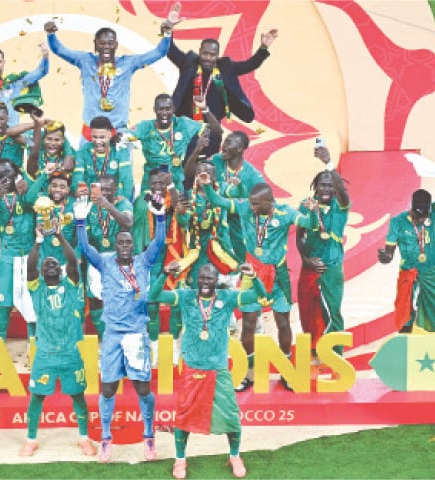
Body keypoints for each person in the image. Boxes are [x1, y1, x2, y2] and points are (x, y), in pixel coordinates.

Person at [150, 263, 266, 479]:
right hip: (193, 367)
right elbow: (154, 295)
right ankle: (180, 459)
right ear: (196, 279)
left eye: (210, 278)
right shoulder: (185, 296)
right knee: (184, 416)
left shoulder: (228, 297)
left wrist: (254, 276)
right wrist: (164, 274)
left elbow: (260, 295)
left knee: (231, 415)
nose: (205, 282)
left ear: (216, 281)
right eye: (202, 278)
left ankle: (234, 456)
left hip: (218, 367)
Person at [201, 179, 318, 391]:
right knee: (248, 325)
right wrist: (207, 185)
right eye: (250, 203)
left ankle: (286, 371)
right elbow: (217, 200)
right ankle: (249, 373)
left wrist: (311, 212)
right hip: (251, 275)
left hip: (277, 276)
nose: (251, 207)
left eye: (256, 204)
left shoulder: (285, 213)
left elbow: (310, 225)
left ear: (268, 202)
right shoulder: (245, 207)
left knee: (283, 323)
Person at [75, 190, 166, 463]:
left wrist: (160, 217)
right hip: (113, 334)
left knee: (143, 389)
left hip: (136, 334)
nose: (125, 246)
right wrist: (80, 222)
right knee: (108, 389)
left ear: (133, 246)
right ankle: (106, 438)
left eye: (128, 242)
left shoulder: (143, 261)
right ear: (115, 246)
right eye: (121, 243)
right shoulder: (105, 263)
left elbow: (159, 243)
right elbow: (86, 249)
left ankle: (149, 436)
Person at [19, 222, 95, 458]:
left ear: (61, 271)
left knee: (78, 396)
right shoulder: (36, 288)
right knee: (37, 396)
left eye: (55, 264)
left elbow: (72, 262)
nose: (51, 265)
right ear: (41, 272)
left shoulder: (71, 285)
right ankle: (31, 440)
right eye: (46, 264)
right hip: (45, 353)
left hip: (70, 353)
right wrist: (38, 241)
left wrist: (61, 237)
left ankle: (84, 438)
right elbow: (30, 267)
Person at [168, 1, 277, 156]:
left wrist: (263, 48)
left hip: (211, 131)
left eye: (212, 55)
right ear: (200, 52)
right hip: (185, 129)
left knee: (207, 167)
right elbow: (170, 50)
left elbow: (249, 65)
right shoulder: (189, 63)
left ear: (217, 56)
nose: (208, 58)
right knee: (180, 166)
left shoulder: (226, 68)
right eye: (205, 53)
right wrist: (168, 28)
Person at [43, 15, 176, 139]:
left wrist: (167, 34)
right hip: (91, 133)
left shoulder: (128, 64)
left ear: (116, 45)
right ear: (95, 44)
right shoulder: (85, 61)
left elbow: (159, 52)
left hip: (118, 132)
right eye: (102, 43)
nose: (106, 47)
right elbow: (59, 50)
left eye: (110, 43)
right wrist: (51, 34)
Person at [378, 168, 435, 332]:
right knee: (405, 314)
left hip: (430, 274)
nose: (421, 219)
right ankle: (405, 341)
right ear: (411, 208)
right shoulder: (398, 222)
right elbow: (389, 252)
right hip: (408, 273)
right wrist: (386, 256)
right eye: (418, 216)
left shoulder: (434, 212)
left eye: (424, 216)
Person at [296, 146, 350, 357]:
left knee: (332, 309)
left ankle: (336, 352)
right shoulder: (306, 205)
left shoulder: (341, 206)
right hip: (310, 266)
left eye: (330, 185)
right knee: (309, 310)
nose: (326, 189)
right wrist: (306, 259)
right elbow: (299, 236)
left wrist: (329, 163)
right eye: (322, 185)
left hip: (331, 267)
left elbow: (343, 192)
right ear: (316, 187)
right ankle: (315, 349)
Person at [0, 159, 37, 340]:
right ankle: (0, 344)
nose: (6, 180)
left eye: (9, 175)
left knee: (31, 302)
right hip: (7, 255)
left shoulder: (26, 190)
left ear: (17, 175)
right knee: (4, 304)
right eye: (0, 176)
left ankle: (33, 345)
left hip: (29, 255)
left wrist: (27, 187)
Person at [133, 168, 186, 363]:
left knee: (176, 304)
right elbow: (137, 233)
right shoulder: (142, 201)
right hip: (151, 259)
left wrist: (171, 185)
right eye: (154, 183)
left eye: (161, 183)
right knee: (152, 305)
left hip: (172, 255)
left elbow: (178, 206)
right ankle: (153, 347)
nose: (157, 186)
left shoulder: (172, 198)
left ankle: (174, 348)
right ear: (148, 183)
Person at [130, 93, 221, 192]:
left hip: (175, 183)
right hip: (152, 184)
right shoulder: (145, 126)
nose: (164, 113)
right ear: (154, 109)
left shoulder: (183, 124)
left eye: (168, 109)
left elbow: (217, 131)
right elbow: (125, 135)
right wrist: (120, 136)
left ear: (173, 109)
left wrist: (204, 109)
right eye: (160, 109)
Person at [84, 174, 134, 339]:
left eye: (108, 189)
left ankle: (122, 334)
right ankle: (104, 336)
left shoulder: (123, 203)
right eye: (102, 189)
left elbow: (128, 222)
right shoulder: (90, 206)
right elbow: (86, 236)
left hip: (119, 258)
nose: (104, 192)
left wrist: (108, 205)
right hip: (97, 257)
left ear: (115, 189)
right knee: (95, 298)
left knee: (120, 298)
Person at [209, 131, 266, 262]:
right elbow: (196, 174)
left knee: (238, 263)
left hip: (238, 227)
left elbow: (267, 202)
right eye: (224, 141)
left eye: (228, 142)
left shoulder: (252, 175)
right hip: (214, 223)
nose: (224, 145)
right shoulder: (216, 160)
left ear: (240, 148)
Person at [72, 116, 133, 200]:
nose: (98, 141)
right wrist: (78, 190)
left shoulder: (120, 151)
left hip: (114, 197)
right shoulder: (83, 152)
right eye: (94, 137)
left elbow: (126, 179)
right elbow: (77, 177)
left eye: (102, 137)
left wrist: (121, 199)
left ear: (110, 134)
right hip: (90, 197)